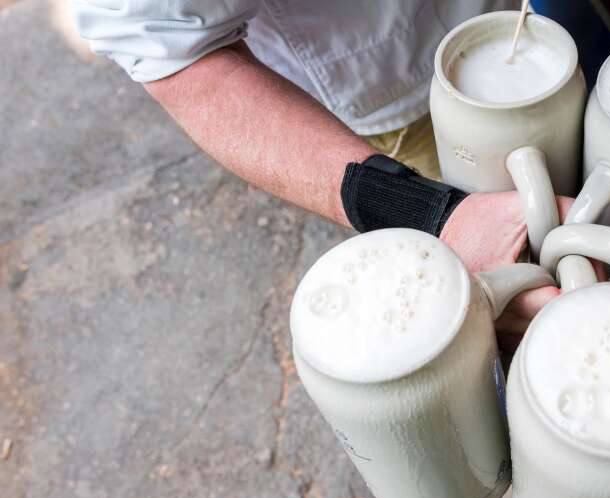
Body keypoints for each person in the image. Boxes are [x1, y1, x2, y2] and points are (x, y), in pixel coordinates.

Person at [72, 0, 579, 351]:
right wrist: (431, 213)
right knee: (524, 289)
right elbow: (172, 53)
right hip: (396, 88)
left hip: (524, 30)